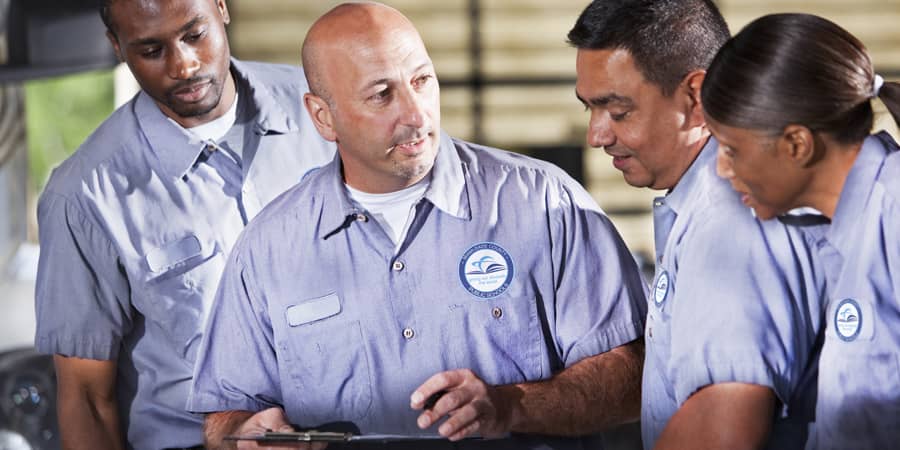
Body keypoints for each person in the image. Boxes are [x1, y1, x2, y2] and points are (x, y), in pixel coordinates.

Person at [187, 2, 648, 449]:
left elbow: (631, 380)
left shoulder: (546, 204)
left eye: (422, 81)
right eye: (381, 94)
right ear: (323, 116)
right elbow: (226, 420)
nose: (416, 115)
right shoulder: (268, 248)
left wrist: (510, 406)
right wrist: (249, 435)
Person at [33, 0, 335, 448]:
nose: (183, 64)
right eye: (151, 50)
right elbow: (87, 399)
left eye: (195, 35)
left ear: (221, 8)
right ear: (117, 46)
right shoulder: (83, 196)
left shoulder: (326, 109)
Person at [568, 1, 828, 449]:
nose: (597, 135)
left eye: (618, 111)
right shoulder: (709, 208)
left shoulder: (728, 222)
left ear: (695, 98)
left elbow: (722, 429)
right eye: (590, 108)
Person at [701, 13, 900, 449]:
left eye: (732, 149)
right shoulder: (835, 232)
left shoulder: (893, 214)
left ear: (797, 144)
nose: (721, 168)